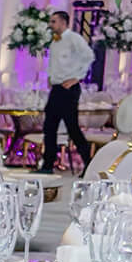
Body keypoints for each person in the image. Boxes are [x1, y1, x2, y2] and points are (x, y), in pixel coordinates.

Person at [41, 10, 95, 173]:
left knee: (72, 128)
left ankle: (90, 164)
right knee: (49, 126)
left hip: (69, 88)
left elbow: (89, 56)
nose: (51, 25)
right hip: (57, 88)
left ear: (63, 23)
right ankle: (48, 165)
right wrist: (50, 77)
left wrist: (77, 78)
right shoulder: (55, 41)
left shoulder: (74, 38)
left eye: (54, 21)